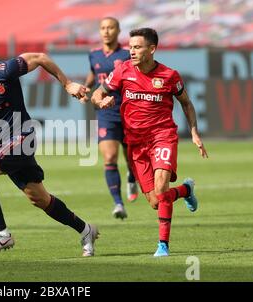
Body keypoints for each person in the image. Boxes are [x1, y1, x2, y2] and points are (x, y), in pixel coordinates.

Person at [0, 34, 99, 257]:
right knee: (39, 199)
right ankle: (85, 230)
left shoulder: (6, 69)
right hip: (3, 141)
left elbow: (40, 58)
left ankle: (2, 234)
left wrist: (67, 83)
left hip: (23, 136)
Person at [91, 28, 208, 257]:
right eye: (130, 47)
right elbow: (97, 94)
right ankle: (185, 189)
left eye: (137, 47)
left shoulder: (169, 76)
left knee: (162, 188)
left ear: (151, 49)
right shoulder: (123, 70)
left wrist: (194, 131)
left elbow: (186, 103)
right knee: (156, 201)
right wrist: (101, 101)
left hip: (162, 136)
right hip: (135, 142)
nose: (131, 51)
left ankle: (163, 245)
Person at [84, 16, 139, 220]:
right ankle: (118, 203)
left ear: (118, 31)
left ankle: (132, 177)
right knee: (109, 157)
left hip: (128, 111)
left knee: (132, 158)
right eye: (103, 28)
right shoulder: (93, 55)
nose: (106, 31)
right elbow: (93, 74)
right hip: (105, 113)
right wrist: (85, 88)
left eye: (110, 28)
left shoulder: (127, 54)